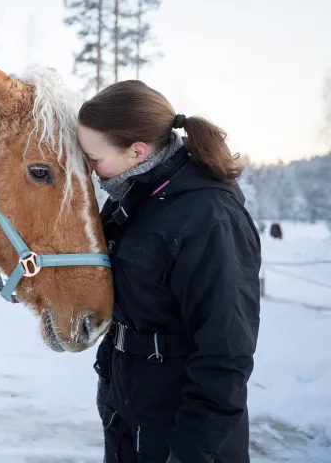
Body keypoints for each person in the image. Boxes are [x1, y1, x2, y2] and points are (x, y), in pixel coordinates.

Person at [77, 80, 261, 463]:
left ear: (137, 151)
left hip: (184, 438)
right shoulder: (132, 200)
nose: (89, 169)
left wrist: (192, 451)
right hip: (130, 419)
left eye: (93, 158)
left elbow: (226, 353)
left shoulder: (210, 219)